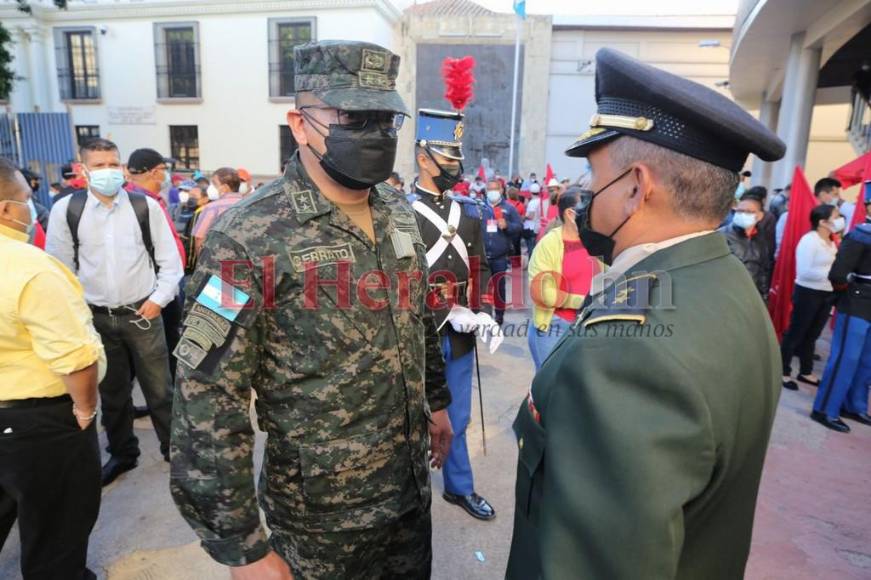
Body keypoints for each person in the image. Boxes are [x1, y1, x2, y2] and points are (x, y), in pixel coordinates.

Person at [171, 40, 453, 580]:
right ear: (300, 125)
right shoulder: (246, 235)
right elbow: (205, 394)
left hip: (407, 495)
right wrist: (243, 547)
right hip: (319, 519)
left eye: (384, 118)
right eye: (350, 116)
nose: (373, 132)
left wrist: (436, 401)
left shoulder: (396, 211)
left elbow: (415, 317)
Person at [506, 48, 786, 580]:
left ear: (636, 187)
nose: (586, 193)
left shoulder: (626, 355)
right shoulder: (725, 281)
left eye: (593, 175)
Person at [46, 138, 183, 485]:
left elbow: (171, 262)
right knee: (113, 393)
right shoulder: (67, 210)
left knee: (160, 389)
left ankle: (174, 450)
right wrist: (78, 314)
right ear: (83, 169)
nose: (107, 172)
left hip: (143, 313)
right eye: (99, 165)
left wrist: (158, 300)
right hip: (96, 318)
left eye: (113, 164)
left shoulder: (143, 207)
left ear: (122, 167)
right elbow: (60, 270)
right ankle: (123, 453)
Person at [0, 158, 104, 580]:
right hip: (39, 422)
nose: (32, 208)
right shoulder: (29, 267)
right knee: (56, 529)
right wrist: (84, 409)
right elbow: (75, 358)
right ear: (7, 209)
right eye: (26, 199)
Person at [412, 108, 496, 522]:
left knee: (458, 415)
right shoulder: (399, 212)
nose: (454, 167)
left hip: (461, 331)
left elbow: (479, 267)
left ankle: (459, 487)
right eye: (447, 158)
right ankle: (405, 492)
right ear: (423, 157)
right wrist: (447, 310)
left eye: (456, 158)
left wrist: (484, 314)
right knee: (408, 413)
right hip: (414, 332)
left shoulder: (469, 213)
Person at [810, 198, 871, 431]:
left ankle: (854, 405)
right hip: (856, 302)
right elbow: (838, 275)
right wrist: (848, 294)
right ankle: (825, 408)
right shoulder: (861, 235)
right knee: (846, 358)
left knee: (866, 361)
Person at [527, 186, 599, 370]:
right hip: (555, 327)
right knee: (551, 390)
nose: (594, 213)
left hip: (588, 325)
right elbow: (543, 293)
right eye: (589, 209)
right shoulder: (549, 245)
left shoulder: (595, 241)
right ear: (570, 213)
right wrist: (584, 301)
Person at [780, 204, 843, 390]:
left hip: (826, 293)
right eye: (836, 216)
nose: (840, 220)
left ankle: (806, 371)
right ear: (823, 221)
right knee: (795, 333)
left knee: (812, 335)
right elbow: (805, 271)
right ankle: (783, 371)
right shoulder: (809, 240)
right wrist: (833, 275)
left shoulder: (831, 241)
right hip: (808, 292)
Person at [483, 178, 522, 325]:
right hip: (483, 255)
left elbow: (519, 227)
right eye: (489, 189)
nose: (492, 192)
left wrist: (508, 226)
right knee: (483, 288)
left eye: (495, 189)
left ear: (501, 190)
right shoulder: (481, 208)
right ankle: (484, 315)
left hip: (500, 257)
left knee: (499, 287)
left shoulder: (509, 208)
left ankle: (499, 315)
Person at [720, 194, 772, 299]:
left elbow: (764, 269)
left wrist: (764, 295)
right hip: (727, 295)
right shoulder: (721, 235)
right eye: (739, 211)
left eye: (748, 212)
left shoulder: (761, 237)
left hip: (752, 295)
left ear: (760, 216)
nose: (743, 214)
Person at [192, 167, 245, 255]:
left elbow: (199, 239)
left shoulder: (212, 208)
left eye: (214, 183)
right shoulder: (249, 204)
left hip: (218, 259)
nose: (211, 187)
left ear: (225, 187)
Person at [521, 182, 543, 255]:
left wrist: (523, 217)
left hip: (531, 228)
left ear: (530, 192)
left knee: (531, 249)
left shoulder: (532, 202)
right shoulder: (541, 201)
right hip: (537, 226)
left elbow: (531, 216)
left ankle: (531, 264)